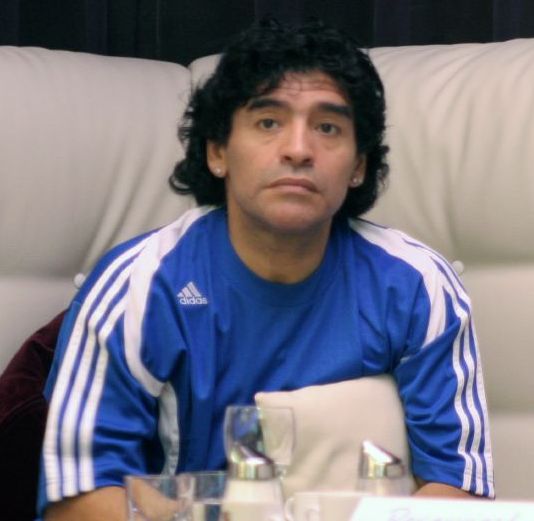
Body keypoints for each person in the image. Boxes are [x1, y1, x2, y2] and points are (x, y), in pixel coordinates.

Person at [38, 18, 494, 520]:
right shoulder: (139, 285)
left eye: (327, 127)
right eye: (268, 122)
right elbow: (75, 500)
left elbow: (460, 489)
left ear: (359, 165)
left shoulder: (418, 287)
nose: (298, 150)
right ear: (217, 151)